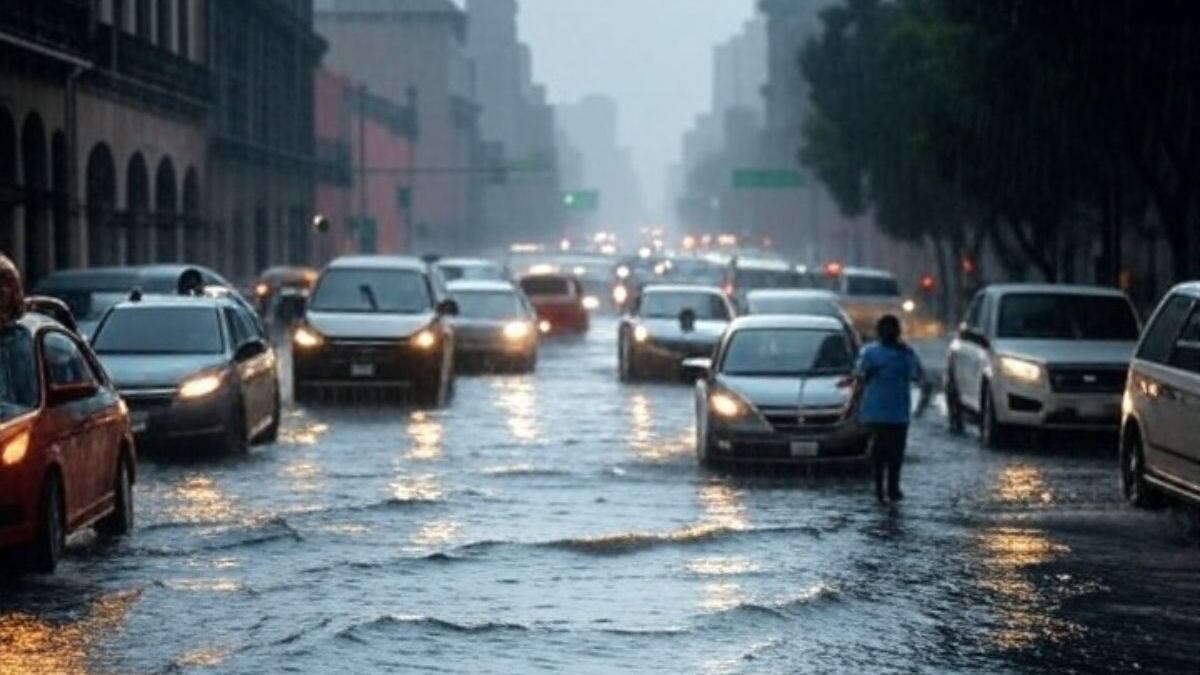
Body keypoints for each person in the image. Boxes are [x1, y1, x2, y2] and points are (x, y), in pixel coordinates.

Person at [855, 314, 928, 503]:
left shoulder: (871, 353)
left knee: (881, 453)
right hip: (894, 414)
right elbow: (921, 379)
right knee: (893, 453)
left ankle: (883, 488)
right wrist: (921, 405)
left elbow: (859, 380)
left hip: (880, 413)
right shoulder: (905, 354)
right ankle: (890, 488)